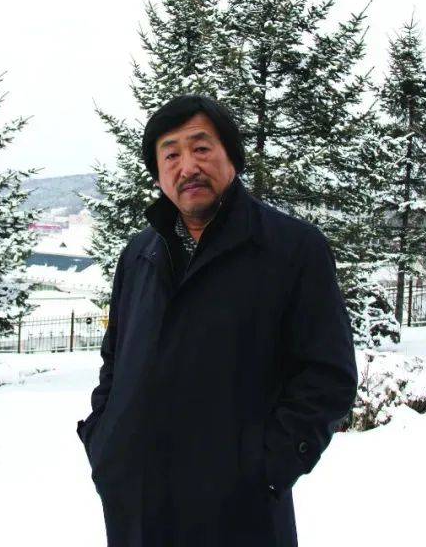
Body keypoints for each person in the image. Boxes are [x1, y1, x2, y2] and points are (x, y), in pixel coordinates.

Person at [76, 94, 357, 547]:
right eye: (171, 155)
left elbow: (327, 376)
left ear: (232, 157)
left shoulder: (291, 249)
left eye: (201, 148)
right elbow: (115, 360)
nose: (187, 166)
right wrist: (104, 441)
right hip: (136, 508)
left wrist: (266, 468)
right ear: (158, 174)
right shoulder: (139, 255)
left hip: (238, 515)